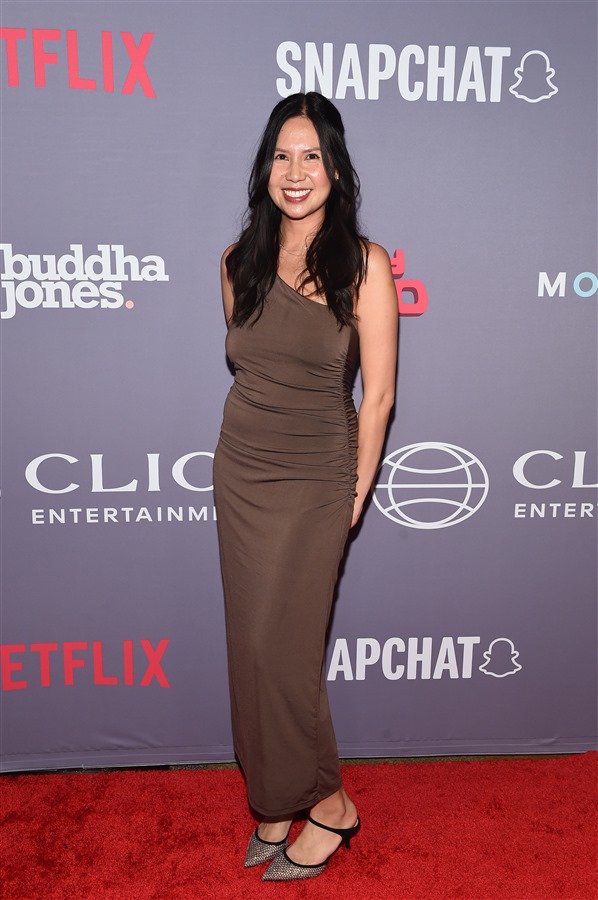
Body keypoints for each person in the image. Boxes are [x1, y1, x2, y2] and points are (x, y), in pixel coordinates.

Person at [212, 91, 398, 882]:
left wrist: (356, 489)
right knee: (253, 649)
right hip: (241, 470)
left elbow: (377, 396)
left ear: (336, 169)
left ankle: (331, 804)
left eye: (312, 156)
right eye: (282, 156)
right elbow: (247, 367)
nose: (296, 172)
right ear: (265, 168)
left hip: (319, 473)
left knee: (285, 649)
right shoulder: (237, 263)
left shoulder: (365, 265)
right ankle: (277, 798)